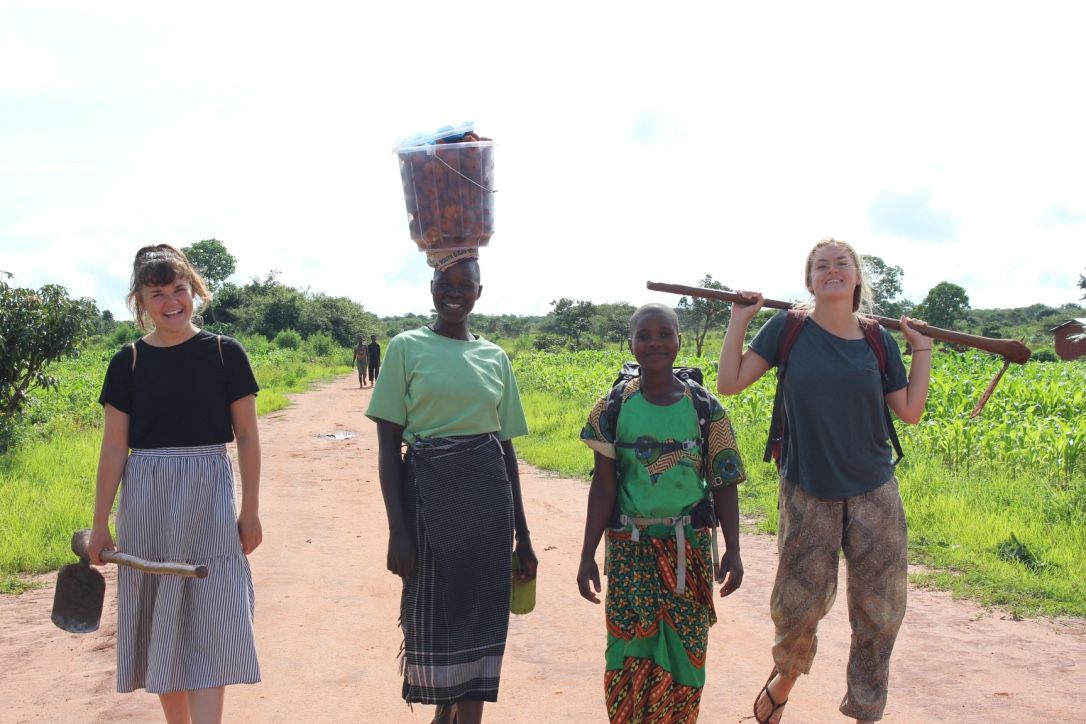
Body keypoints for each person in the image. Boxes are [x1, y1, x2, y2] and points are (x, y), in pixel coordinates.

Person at [716, 238, 932, 724]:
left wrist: (922, 349)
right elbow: (730, 382)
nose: (832, 270)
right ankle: (786, 676)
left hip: (875, 490)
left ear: (856, 277)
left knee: (880, 610)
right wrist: (739, 320)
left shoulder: (878, 339)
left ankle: (866, 709)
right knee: (799, 606)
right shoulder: (787, 328)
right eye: (821, 266)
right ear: (809, 281)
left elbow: (909, 411)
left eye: (841, 263)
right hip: (807, 489)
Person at [87, 243, 262, 724]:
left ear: (195, 291)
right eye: (157, 293)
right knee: (160, 614)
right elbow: (113, 449)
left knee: (213, 614)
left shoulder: (225, 353)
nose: (171, 302)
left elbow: (248, 437)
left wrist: (249, 510)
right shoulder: (127, 362)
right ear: (140, 301)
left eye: (179, 289)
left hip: (209, 493)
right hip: (147, 500)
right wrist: (100, 524)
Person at [366, 257, 537, 724]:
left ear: (479, 293)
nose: (455, 293)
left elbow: (505, 450)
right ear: (431, 287)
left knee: (481, 615)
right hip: (428, 502)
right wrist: (398, 531)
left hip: (489, 506)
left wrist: (523, 536)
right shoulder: (406, 347)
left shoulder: (495, 357)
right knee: (442, 611)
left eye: (466, 285)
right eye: (446, 283)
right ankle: (447, 709)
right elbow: (388, 447)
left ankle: (462, 714)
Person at [577, 303, 745, 723]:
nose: (655, 343)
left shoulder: (706, 409)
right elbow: (604, 486)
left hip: (689, 552)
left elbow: (723, 483)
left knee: (686, 654)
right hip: (629, 550)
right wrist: (586, 555)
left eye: (664, 334)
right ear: (630, 344)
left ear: (679, 340)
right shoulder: (611, 408)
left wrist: (734, 550)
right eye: (645, 335)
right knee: (627, 650)